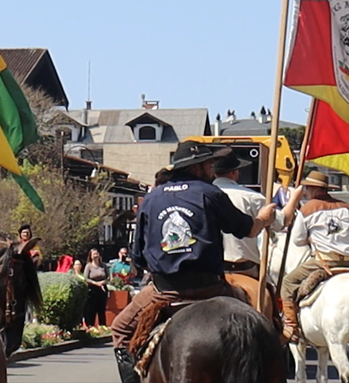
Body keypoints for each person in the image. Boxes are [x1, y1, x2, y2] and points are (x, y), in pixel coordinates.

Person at [111, 141, 276, 383]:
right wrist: (263, 218)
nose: (212, 169)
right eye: (209, 164)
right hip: (211, 288)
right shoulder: (211, 194)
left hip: (165, 292)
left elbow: (138, 257)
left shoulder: (151, 198)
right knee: (257, 323)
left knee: (121, 330)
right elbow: (247, 229)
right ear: (196, 167)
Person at [280, 171, 349, 342]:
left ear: (313, 189)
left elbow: (297, 240)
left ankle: (292, 327)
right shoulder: (347, 207)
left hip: (324, 262)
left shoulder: (306, 209)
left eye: (307, 188)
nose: (306, 192)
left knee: (287, 283)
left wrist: (311, 237)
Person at [212, 150, 302, 279]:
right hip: (245, 268)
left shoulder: (201, 196)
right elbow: (282, 222)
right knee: (271, 290)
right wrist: (294, 199)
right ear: (234, 173)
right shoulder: (252, 197)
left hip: (212, 269)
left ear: (215, 174)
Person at [83, 248, 109, 327]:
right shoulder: (89, 266)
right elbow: (86, 278)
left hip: (102, 288)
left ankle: (102, 326)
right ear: (90, 256)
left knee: (102, 309)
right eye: (93, 254)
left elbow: (108, 277)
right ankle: (91, 326)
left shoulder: (103, 265)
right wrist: (95, 283)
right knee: (92, 309)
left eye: (96, 253)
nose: (95, 255)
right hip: (92, 289)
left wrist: (102, 282)